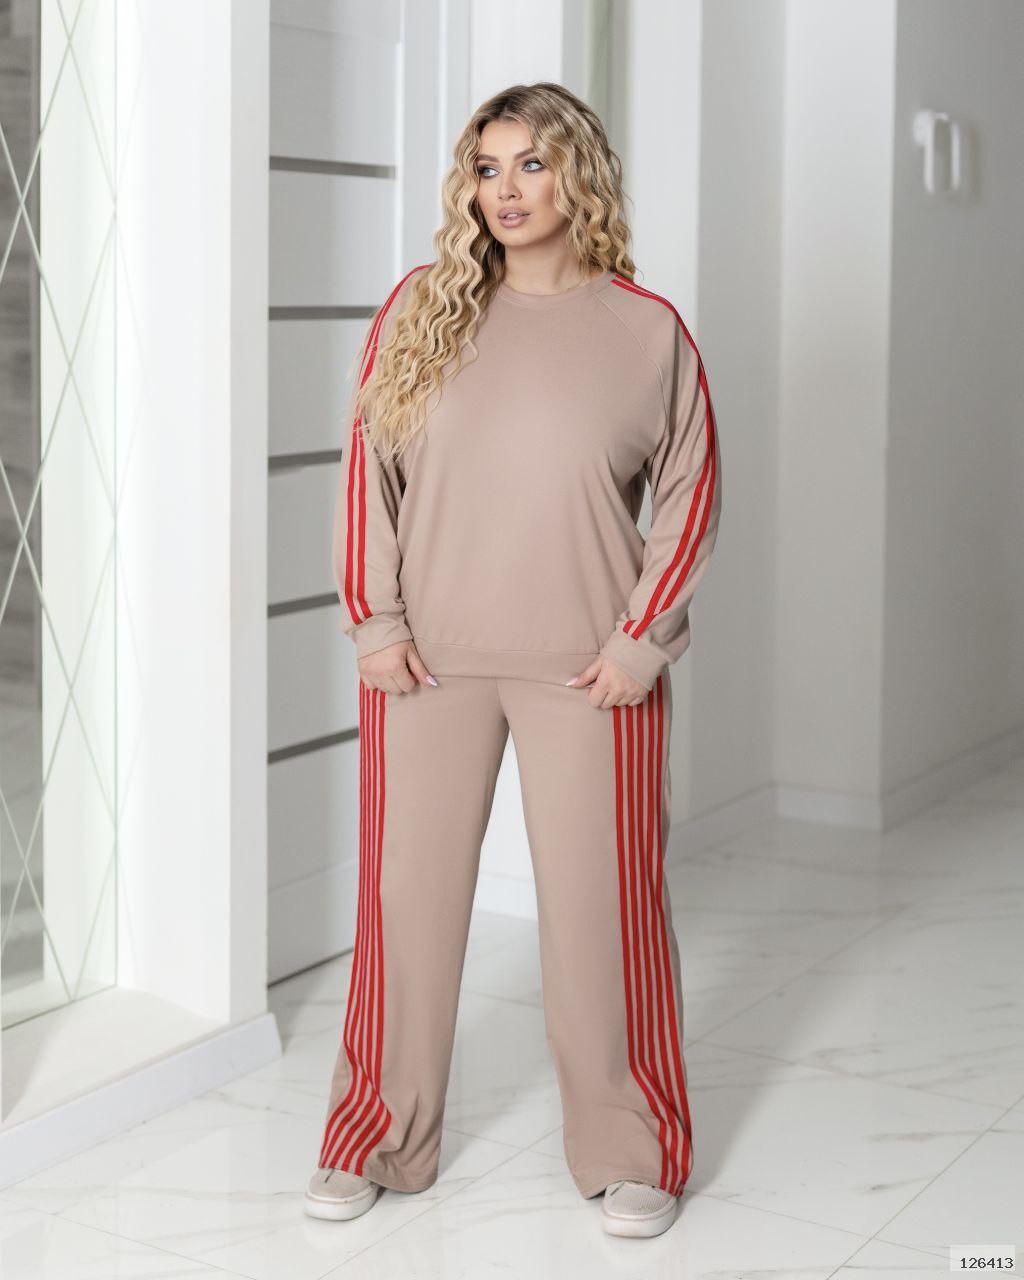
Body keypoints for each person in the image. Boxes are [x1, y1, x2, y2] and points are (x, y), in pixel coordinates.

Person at [303, 81, 722, 1240]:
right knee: (405, 906)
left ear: (577, 173)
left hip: (592, 674)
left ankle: (631, 1148)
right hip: (424, 664)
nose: (506, 190)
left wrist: (642, 639)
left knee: (604, 913)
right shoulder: (419, 308)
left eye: (531, 164)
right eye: (487, 168)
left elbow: (690, 494)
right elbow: (366, 476)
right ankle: (374, 1135)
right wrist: (374, 621)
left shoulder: (648, 332)